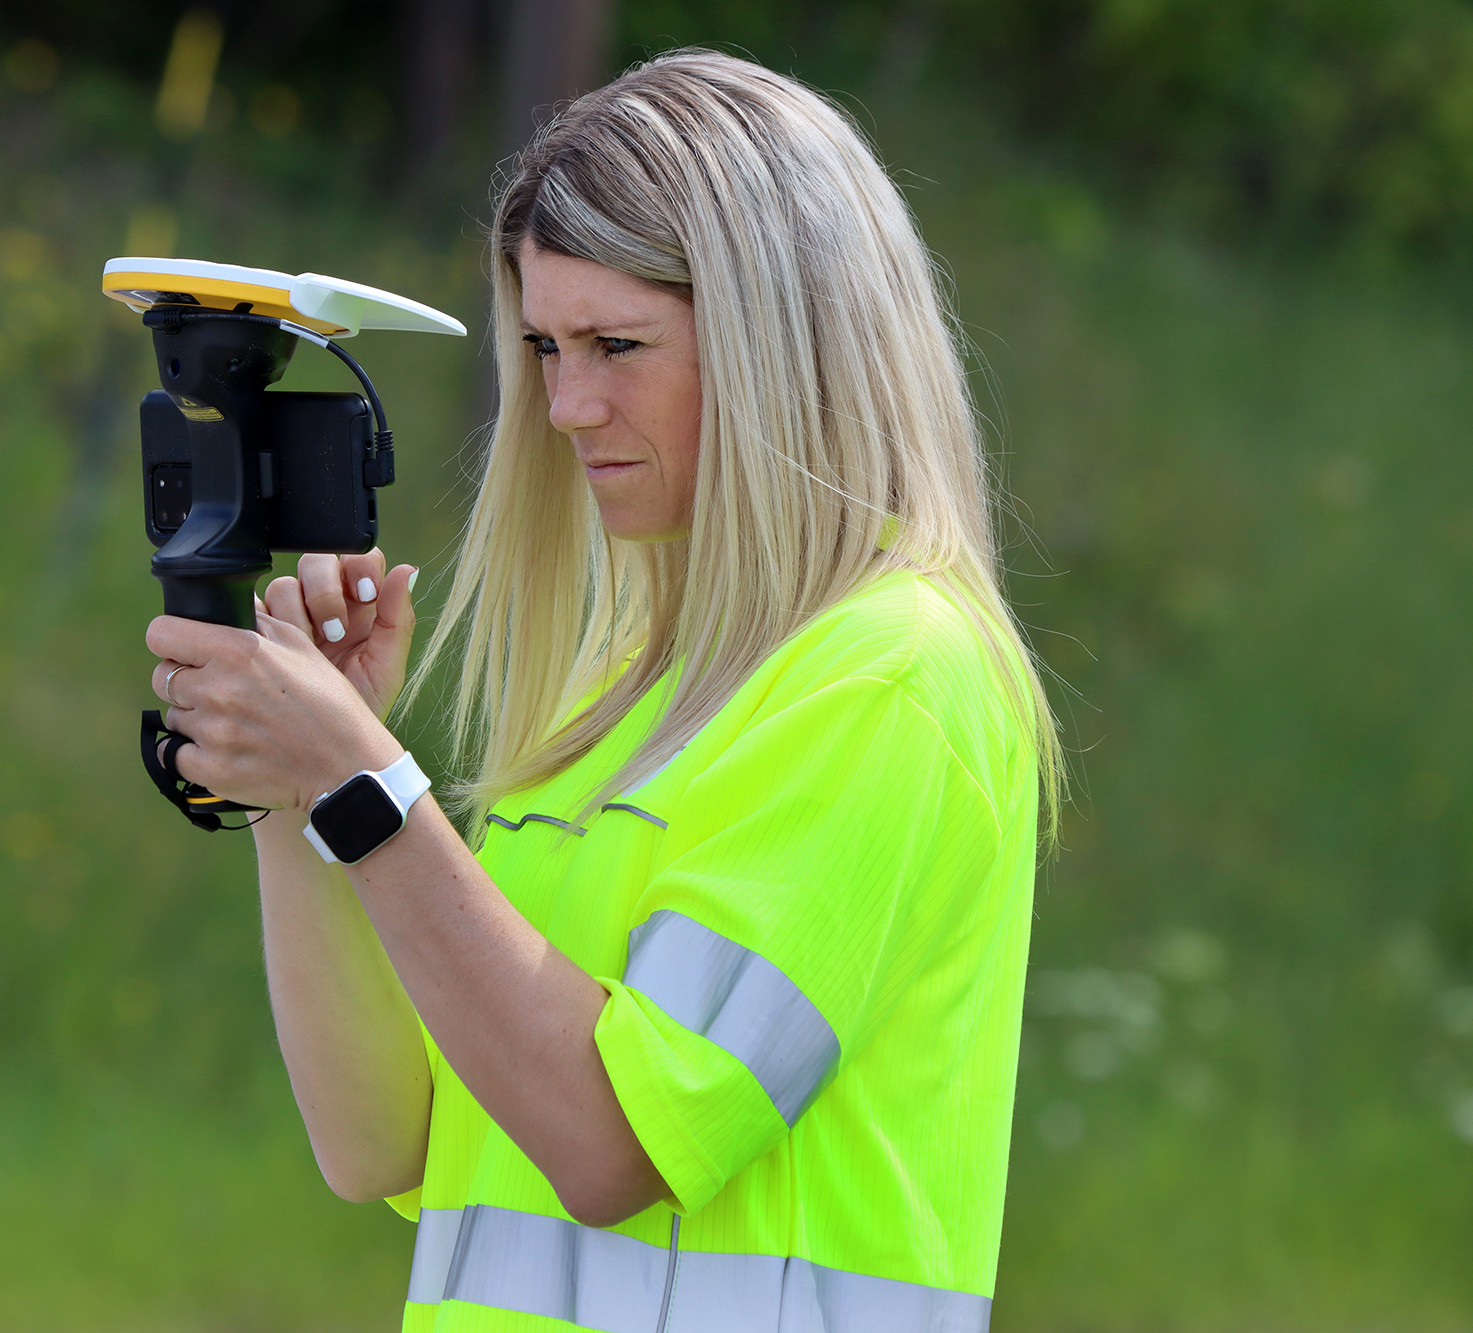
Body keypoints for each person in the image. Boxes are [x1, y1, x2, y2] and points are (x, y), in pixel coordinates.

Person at [145, 49, 1061, 1333]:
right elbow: (378, 1142)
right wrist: (307, 794)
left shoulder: (892, 674)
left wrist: (366, 784)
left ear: (783, 344)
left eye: (616, 344)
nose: (567, 405)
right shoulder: (625, 682)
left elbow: (610, 1140)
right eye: (543, 344)